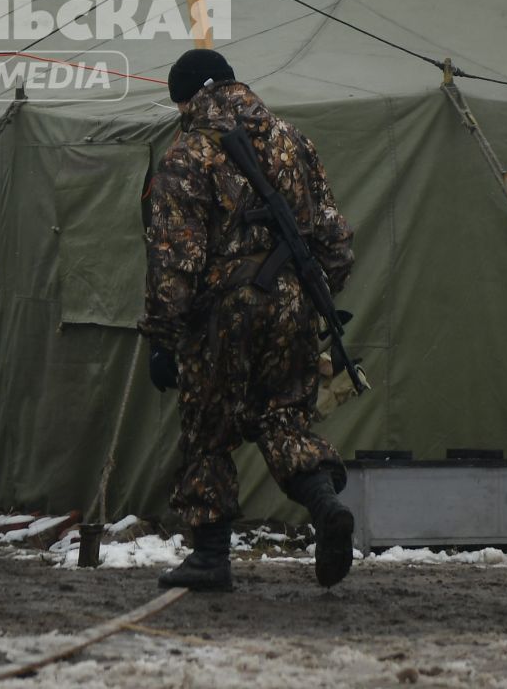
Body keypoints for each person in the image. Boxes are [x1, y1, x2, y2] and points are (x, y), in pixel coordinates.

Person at [141, 48, 358, 592]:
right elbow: (335, 241)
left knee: (208, 432)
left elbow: (176, 260)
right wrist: (313, 296)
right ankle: (325, 504)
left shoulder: (187, 154)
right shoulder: (294, 141)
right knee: (284, 419)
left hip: (225, 311)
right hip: (295, 302)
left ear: (187, 98)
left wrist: (164, 339)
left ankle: (210, 557)